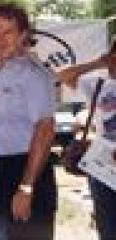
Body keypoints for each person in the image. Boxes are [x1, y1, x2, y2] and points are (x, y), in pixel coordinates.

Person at [0, 3, 57, 240]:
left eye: (8, 32)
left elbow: (45, 130)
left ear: (23, 35)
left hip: (27, 172)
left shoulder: (33, 74)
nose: (0, 40)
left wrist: (26, 188)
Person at [58, 39, 116, 240]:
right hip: (103, 166)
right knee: (107, 225)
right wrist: (98, 63)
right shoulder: (98, 83)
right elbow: (63, 75)